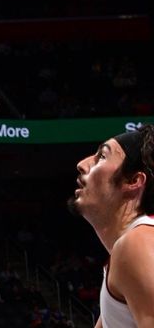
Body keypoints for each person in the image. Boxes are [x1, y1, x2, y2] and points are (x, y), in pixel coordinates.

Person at [68, 124, 154, 328]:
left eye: (101, 157)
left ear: (133, 181)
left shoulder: (137, 245)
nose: (82, 164)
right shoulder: (126, 255)